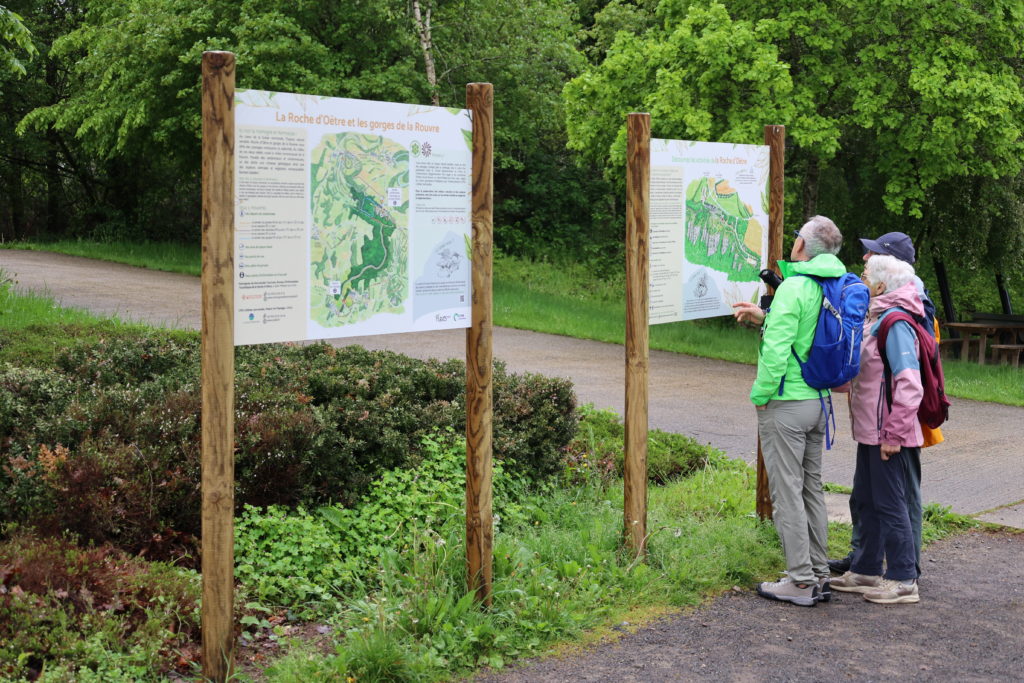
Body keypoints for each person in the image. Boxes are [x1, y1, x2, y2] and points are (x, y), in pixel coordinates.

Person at [733, 215, 848, 607]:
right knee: (811, 489)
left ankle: (799, 582)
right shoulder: (836, 282)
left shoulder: (796, 285)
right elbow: (805, 332)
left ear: (802, 247)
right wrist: (764, 317)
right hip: (819, 403)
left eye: (797, 237)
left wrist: (760, 394)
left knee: (787, 494)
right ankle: (818, 574)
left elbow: (779, 350)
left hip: (787, 404)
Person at [828, 231, 938, 577]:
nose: (861, 274)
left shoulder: (897, 319)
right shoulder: (877, 315)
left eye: (866, 275)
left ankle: (904, 576)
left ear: (880, 285)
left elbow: (908, 382)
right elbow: (868, 369)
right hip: (871, 430)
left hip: (889, 432)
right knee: (867, 499)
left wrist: (894, 432)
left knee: (895, 503)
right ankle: (865, 568)